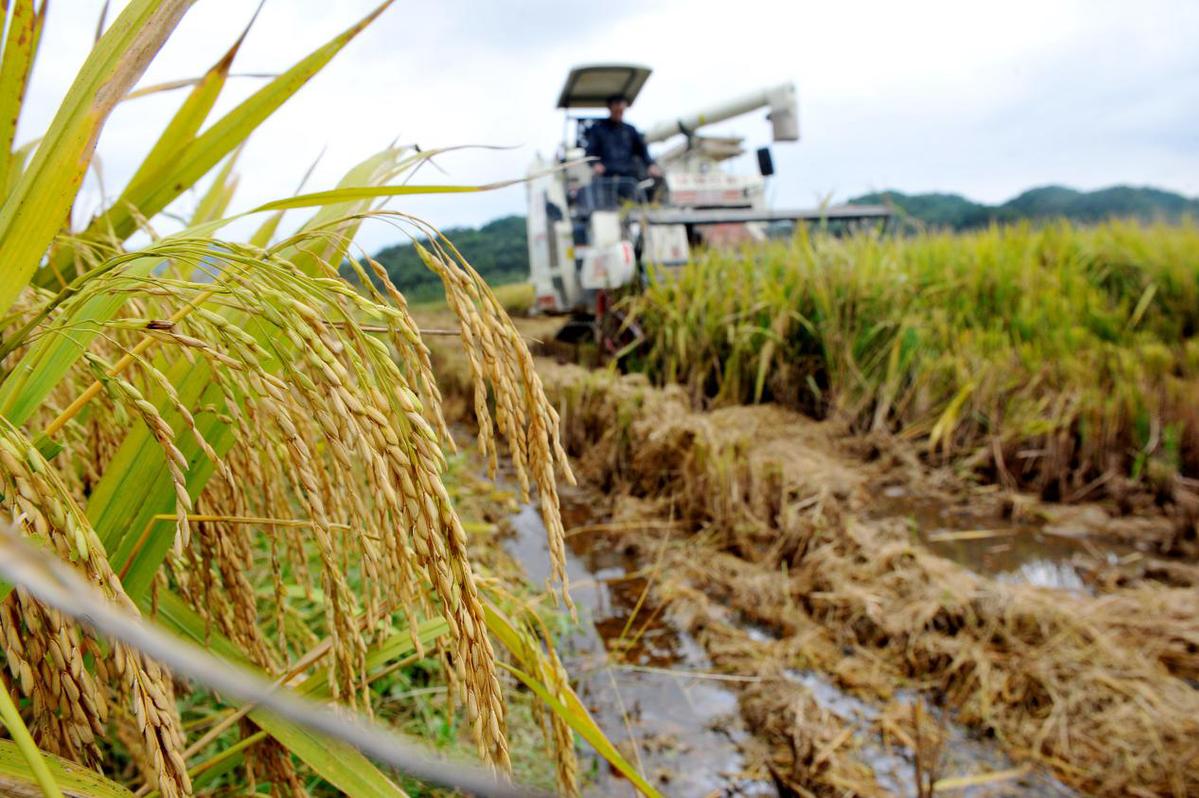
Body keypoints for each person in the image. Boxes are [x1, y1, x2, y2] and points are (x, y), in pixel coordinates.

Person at [584, 95, 663, 204]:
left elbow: (642, 151)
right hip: (606, 179)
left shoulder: (630, 130)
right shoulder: (598, 130)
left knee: (631, 207)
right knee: (607, 210)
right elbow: (589, 152)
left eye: (621, 111)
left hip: (628, 178)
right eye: (616, 110)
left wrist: (651, 165)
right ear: (610, 108)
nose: (619, 113)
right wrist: (595, 164)